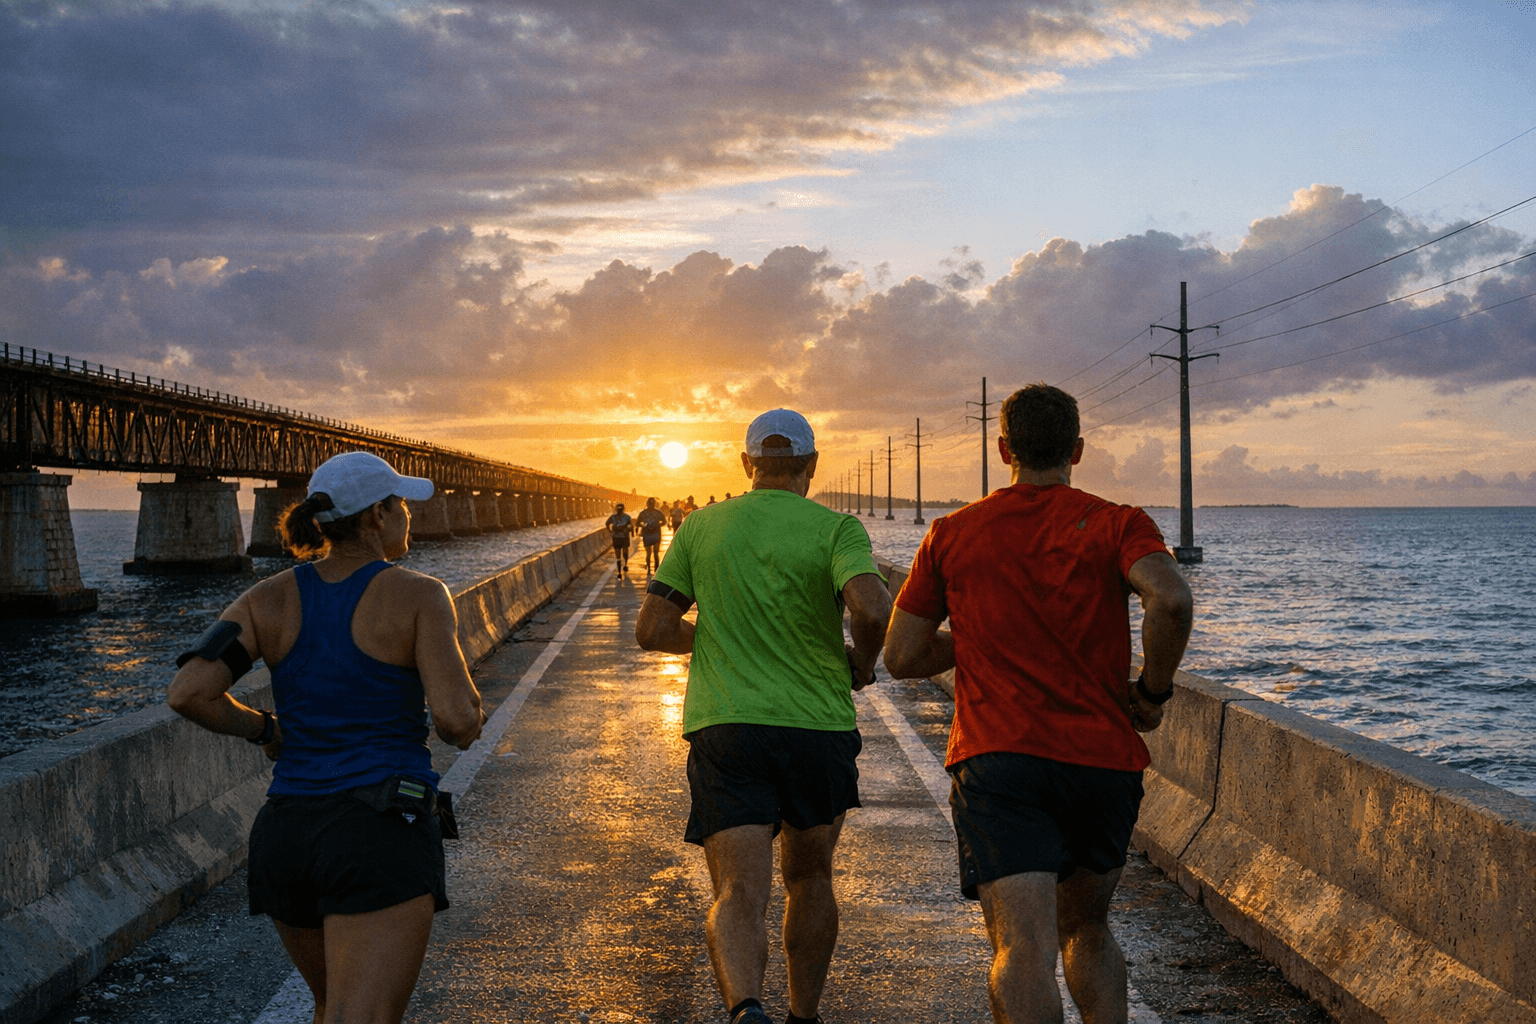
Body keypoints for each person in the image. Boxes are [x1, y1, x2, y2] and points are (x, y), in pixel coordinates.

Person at [883, 383, 1193, 1024]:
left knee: (1022, 948)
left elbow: (903, 656)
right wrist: (1152, 693)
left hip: (1001, 762)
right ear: (1077, 451)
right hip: (1102, 762)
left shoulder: (951, 533)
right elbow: (1171, 600)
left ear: (1003, 450)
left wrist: (973, 637)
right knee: (1088, 929)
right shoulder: (1119, 522)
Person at [167, 451, 486, 1024]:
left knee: (330, 1007)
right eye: (401, 506)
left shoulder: (265, 599)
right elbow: (458, 723)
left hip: (286, 832)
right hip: (377, 832)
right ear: (376, 517)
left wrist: (266, 728)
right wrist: (468, 707)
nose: (409, 516)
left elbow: (189, 692)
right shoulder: (420, 595)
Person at [635, 409, 892, 1024]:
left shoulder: (701, 527)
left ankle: (747, 1010)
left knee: (737, 890)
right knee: (809, 878)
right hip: (818, 728)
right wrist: (864, 661)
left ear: (746, 464)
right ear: (811, 465)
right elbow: (875, 608)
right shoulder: (838, 530)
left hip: (730, 728)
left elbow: (653, 628)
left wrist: (718, 637)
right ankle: (804, 1014)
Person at [636, 496, 667, 576]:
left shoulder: (657, 512)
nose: (651, 505)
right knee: (649, 553)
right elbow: (637, 523)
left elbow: (664, 522)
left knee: (655, 553)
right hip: (647, 535)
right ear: (647, 504)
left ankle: (655, 569)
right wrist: (644, 526)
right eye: (650, 503)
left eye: (652, 503)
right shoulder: (644, 513)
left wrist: (657, 525)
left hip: (655, 534)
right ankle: (650, 568)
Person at [606, 502, 634, 576]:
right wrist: (610, 531)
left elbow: (631, 526)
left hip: (621, 537)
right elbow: (607, 523)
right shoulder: (615, 517)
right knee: (621, 554)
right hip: (618, 537)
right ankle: (623, 567)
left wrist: (610, 531)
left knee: (621, 554)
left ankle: (623, 567)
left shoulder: (626, 517)